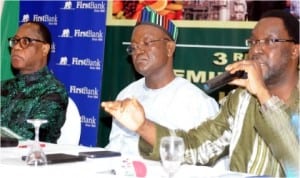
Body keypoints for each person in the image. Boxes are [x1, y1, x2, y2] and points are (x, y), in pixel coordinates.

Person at [102, 9, 299, 177]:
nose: (257, 50)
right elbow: (197, 147)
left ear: (295, 50)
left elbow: (296, 164)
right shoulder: (240, 100)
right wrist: (143, 126)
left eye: (270, 41)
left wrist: (263, 95)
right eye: (253, 42)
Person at [105, 6, 219, 158]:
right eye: (134, 47)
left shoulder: (197, 103)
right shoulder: (127, 95)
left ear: (169, 48)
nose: (138, 51)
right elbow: (115, 148)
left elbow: (211, 163)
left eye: (147, 43)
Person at [1, 21, 68, 143]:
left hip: (31, 159)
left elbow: (31, 137)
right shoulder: (3, 87)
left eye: (25, 41)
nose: (16, 47)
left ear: (44, 49)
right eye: (15, 41)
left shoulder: (53, 92)